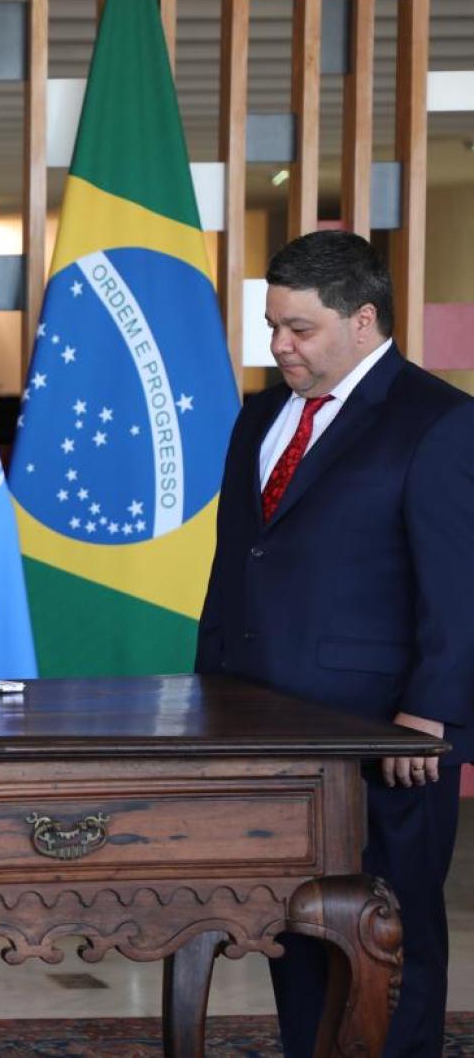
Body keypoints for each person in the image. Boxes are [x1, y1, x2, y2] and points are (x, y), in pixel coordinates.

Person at [196, 230, 474, 1058]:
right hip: (262, 729)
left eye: (300, 329)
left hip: (385, 736)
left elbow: (460, 588)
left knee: (396, 934)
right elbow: (239, 565)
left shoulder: (440, 422)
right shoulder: (256, 419)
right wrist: (212, 696)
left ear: (363, 320)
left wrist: (431, 712)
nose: (280, 345)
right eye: (273, 326)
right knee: (294, 925)